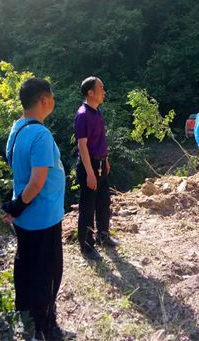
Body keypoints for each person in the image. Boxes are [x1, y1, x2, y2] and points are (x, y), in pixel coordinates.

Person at [2, 78, 74, 341]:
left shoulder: (17, 128)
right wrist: (18, 206)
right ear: (44, 100)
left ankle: (26, 313)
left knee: (26, 264)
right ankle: (45, 329)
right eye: (52, 97)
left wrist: (15, 207)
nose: (53, 101)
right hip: (43, 216)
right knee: (48, 272)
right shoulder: (41, 135)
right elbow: (36, 182)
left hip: (26, 219)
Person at [74, 76, 116, 262]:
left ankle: (103, 235)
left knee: (103, 201)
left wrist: (105, 159)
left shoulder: (97, 111)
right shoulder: (83, 114)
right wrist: (90, 173)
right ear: (90, 93)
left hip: (100, 162)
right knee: (87, 207)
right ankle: (86, 245)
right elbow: (82, 146)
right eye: (101, 88)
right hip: (88, 165)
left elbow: (100, 140)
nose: (104, 92)